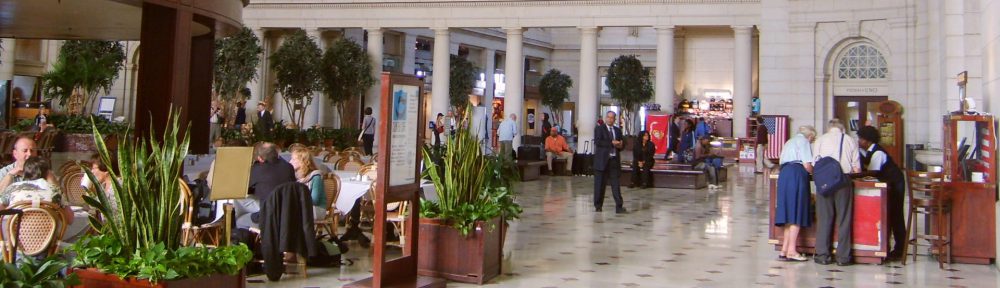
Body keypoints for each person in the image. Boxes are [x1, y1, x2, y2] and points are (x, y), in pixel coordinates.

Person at [812, 119, 861, 266]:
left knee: (824, 218)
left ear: (829, 129)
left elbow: (815, 163)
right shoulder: (850, 140)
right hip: (843, 180)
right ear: (842, 129)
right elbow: (856, 168)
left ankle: (822, 254)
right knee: (844, 219)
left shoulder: (820, 140)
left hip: (824, 182)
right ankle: (843, 257)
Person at [857, 125, 906, 260]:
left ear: (867, 140)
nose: (859, 141)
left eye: (860, 139)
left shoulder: (878, 153)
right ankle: (888, 247)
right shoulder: (869, 151)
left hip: (895, 183)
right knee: (888, 214)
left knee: (895, 214)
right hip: (888, 183)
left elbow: (873, 171)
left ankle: (900, 248)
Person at [775, 125, 817, 262]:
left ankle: (784, 249)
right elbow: (807, 165)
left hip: (784, 174)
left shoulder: (789, 141)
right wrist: (816, 173)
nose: (811, 142)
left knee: (788, 213)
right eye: (812, 139)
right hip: (796, 174)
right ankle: (792, 251)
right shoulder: (804, 142)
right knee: (796, 212)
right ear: (809, 136)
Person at [235, 142, 297, 229]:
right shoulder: (289, 167)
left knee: (240, 220)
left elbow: (244, 187)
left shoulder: (258, 169)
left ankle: (251, 240)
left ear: (260, 159)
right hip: (288, 214)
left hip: (267, 216)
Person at [0, 156, 72, 224]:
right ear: (48, 173)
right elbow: (70, 219)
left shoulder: (13, 188)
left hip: (16, 235)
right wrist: (55, 184)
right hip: (48, 235)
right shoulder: (55, 191)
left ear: (24, 173)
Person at [593, 111, 626, 214]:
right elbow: (598, 142)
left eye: (612, 118)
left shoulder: (617, 130)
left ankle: (619, 206)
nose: (610, 119)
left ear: (614, 119)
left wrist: (620, 145)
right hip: (602, 161)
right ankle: (598, 205)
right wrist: (611, 143)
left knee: (615, 184)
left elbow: (622, 143)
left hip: (614, 161)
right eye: (608, 117)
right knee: (600, 185)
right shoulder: (599, 129)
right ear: (605, 118)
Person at [289, 147, 326, 221]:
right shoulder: (294, 176)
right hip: (302, 208)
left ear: (303, 161)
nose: (290, 162)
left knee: (287, 213)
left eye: (293, 159)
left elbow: (315, 200)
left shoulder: (315, 176)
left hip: (316, 209)